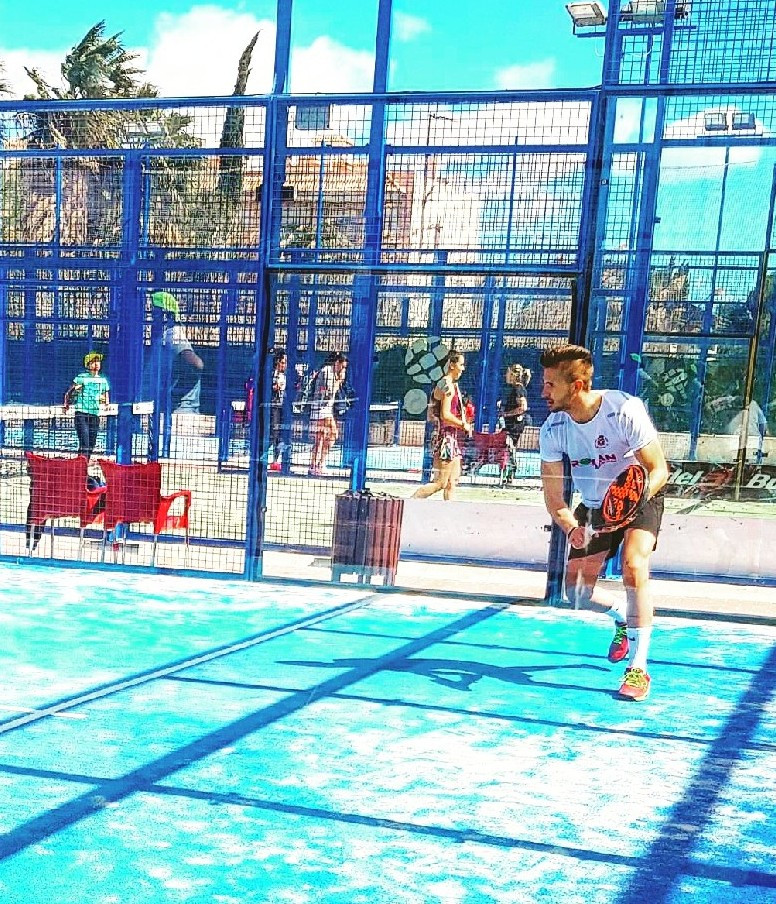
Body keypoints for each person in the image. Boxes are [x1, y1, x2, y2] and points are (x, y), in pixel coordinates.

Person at [538, 344, 668, 702]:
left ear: (577, 386)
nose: (543, 391)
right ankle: (622, 618)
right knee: (577, 592)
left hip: (640, 496)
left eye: (550, 384)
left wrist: (631, 502)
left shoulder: (624, 409)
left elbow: (659, 469)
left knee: (633, 566)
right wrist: (572, 527)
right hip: (595, 507)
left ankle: (638, 668)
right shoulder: (553, 429)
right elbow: (554, 499)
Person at [413, 351, 473, 501]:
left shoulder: (447, 384)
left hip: (449, 437)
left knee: (452, 482)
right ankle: (411, 502)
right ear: (451, 365)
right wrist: (463, 424)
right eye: (461, 364)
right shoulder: (447, 385)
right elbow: (445, 415)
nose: (463, 368)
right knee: (440, 482)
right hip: (446, 439)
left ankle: (449, 512)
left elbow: (432, 412)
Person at [151, 291, 204, 413]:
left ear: (166, 315)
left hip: (181, 412)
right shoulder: (166, 335)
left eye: (155, 313)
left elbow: (197, 364)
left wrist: (173, 392)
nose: (152, 317)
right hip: (172, 411)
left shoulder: (173, 334)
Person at [63, 351, 110, 459]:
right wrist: (67, 403)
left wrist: (105, 402)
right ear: (88, 365)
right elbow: (69, 392)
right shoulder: (81, 378)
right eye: (93, 362)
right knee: (84, 442)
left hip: (94, 414)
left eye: (98, 361)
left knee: (91, 444)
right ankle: (81, 465)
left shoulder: (103, 380)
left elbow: (105, 397)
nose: (96, 364)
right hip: (81, 413)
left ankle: (83, 465)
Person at [308, 351, 348, 476]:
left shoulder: (331, 372)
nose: (343, 369)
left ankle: (317, 464)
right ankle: (317, 465)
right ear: (337, 363)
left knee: (323, 437)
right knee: (328, 436)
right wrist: (338, 381)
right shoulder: (327, 372)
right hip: (321, 409)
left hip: (324, 409)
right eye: (342, 366)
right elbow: (327, 393)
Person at [268, 349, 287, 471]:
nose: (284, 365)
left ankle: (277, 459)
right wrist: (274, 387)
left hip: (284, 406)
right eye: (283, 362)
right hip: (274, 406)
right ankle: (267, 457)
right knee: (274, 433)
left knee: (282, 434)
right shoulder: (272, 374)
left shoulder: (287, 375)